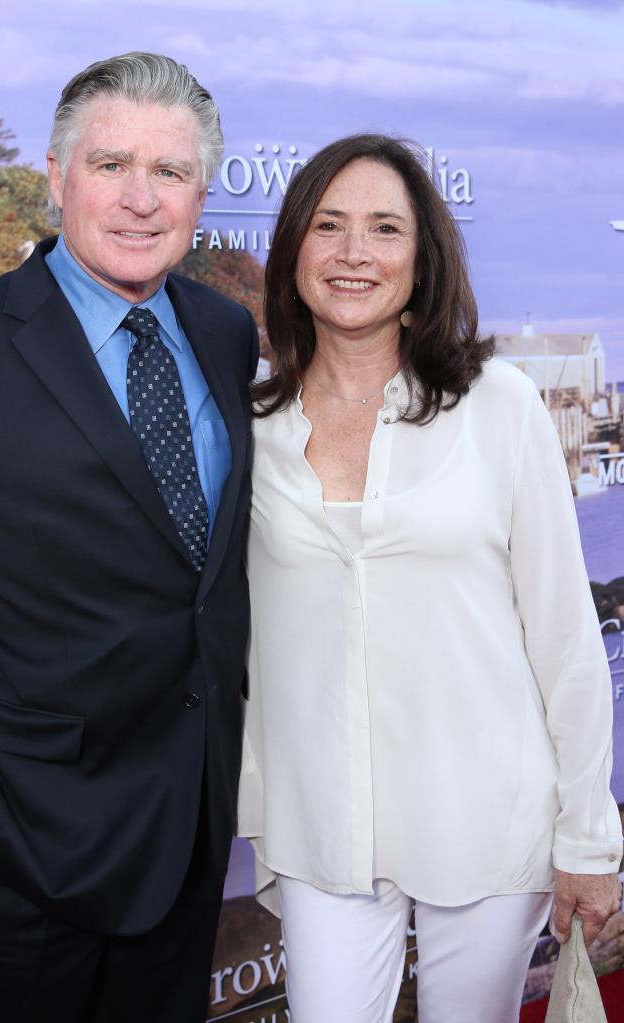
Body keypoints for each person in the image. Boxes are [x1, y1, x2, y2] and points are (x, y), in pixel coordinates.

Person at [0, 52, 258, 1023]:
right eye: (111, 165)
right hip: (13, 857)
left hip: (187, 840)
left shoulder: (229, 335)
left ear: (202, 193)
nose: (141, 200)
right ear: (56, 176)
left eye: (172, 172)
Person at [236, 134, 623, 1023]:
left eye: (384, 228)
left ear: (424, 258)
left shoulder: (501, 408)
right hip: (321, 822)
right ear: (295, 247)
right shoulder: (250, 424)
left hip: (484, 815)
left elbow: (566, 639)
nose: (354, 253)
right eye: (328, 226)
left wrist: (587, 837)